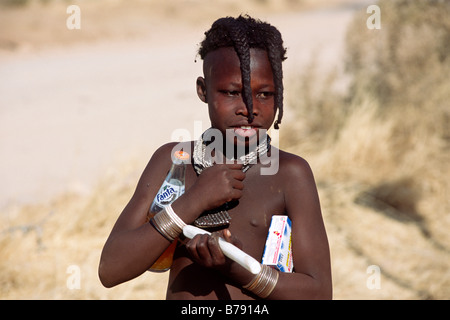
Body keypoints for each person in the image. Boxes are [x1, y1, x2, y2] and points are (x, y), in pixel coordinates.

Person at [99, 15, 332, 300]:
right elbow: (110, 269)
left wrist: (237, 268)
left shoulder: (289, 174)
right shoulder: (174, 161)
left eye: (265, 94)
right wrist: (195, 199)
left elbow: (319, 292)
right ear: (203, 90)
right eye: (233, 92)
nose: (249, 108)